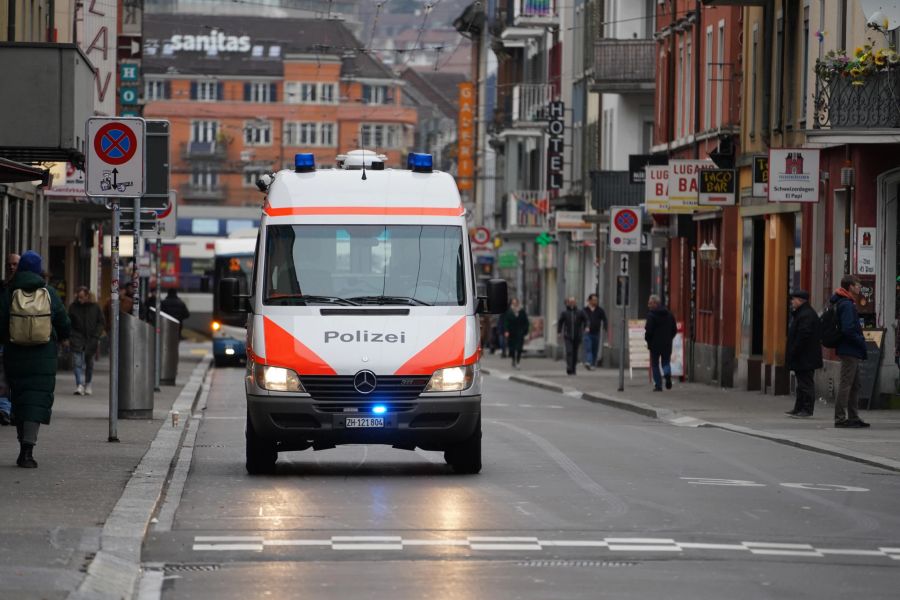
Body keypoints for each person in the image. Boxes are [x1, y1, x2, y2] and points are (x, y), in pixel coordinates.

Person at [0, 251, 71, 468]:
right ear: (39, 269)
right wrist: (63, 338)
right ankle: (27, 451)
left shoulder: (9, 292)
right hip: (43, 357)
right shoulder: (48, 293)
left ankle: (23, 441)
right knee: (35, 401)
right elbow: (64, 322)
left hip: (15, 354)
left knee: (20, 398)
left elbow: (2, 323)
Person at [830, 275, 870, 428]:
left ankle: (853, 417)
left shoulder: (847, 302)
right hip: (849, 349)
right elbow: (848, 329)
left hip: (851, 348)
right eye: (857, 284)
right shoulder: (846, 304)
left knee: (855, 385)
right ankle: (840, 418)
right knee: (847, 384)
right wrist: (860, 340)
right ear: (850, 287)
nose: (859, 287)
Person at [785, 290, 822, 418]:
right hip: (803, 356)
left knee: (806, 383)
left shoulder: (806, 315)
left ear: (800, 301)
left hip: (805, 356)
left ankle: (807, 409)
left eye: (793, 299)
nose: (791, 302)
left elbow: (803, 336)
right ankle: (798, 408)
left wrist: (794, 350)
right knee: (801, 384)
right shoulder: (802, 313)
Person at [68, 286, 104, 396]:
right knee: (77, 362)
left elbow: (101, 322)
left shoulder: (95, 307)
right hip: (77, 337)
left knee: (89, 362)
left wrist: (96, 335)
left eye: (82, 297)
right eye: (78, 297)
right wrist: (70, 335)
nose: (80, 300)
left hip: (91, 338)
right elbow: (68, 321)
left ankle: (88, 384)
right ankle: (79, 384)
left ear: (88, 296)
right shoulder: (73, 307)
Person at [0, 253, 19, 425]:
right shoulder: (4, 287)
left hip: (20, 340)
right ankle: (5, 409)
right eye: (9, 264)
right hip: (5, 339)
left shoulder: (24, 287)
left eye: (15, 264)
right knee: (4, 377)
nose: (12, 267)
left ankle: (11, 409)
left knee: (13, 377)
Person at [645, 294, 677, 391]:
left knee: (654, 364)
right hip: (667, 343)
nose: (648, 305)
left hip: (654, 344)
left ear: (655, 303)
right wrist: (669, 338)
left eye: (650, 303)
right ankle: (667, 375)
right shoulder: (669, 314)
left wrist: (648, 340)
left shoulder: (651, 315)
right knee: (665, 362)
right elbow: (674, 329)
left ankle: (658, 385)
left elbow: (649, 330)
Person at [558, 296, 587, 375]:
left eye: (573, 302)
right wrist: (559, 332)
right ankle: (569, 367)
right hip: (568, 335)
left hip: (577, 335)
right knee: (569, 351)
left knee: (575, 353)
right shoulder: (565, 313)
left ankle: (573, 369)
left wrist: (586, 327)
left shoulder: (580, 312)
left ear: (575, 303)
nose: (572, 303)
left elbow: (586, 320)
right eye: (570, 302)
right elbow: (560, 322)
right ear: (568, 303)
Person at [582, 293, 607, 370]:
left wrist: (605, 328)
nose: (595, 301)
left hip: (596, 332)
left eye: (596, 300)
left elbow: (604, 319)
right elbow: (580, 320)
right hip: (587, 333)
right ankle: (589, 362)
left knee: (595, 349)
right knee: (589, 348)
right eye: (593, 300)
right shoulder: (585, 310)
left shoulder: (600, 310)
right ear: (589, 301)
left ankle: (592, 364)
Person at [503, 298, 529, 369]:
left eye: (516, 303)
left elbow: (526, 322)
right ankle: (513, 359)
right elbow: (506, 322)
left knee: (519, 348)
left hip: (520, 332)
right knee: (512, 348)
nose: (515, 304)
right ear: (512, 303)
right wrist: (506, 331)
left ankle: (518, 361)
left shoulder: (522, 311)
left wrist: (525, 331)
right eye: (513, 303)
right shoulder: (509, 312)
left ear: (518, 303)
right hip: (511, 333)